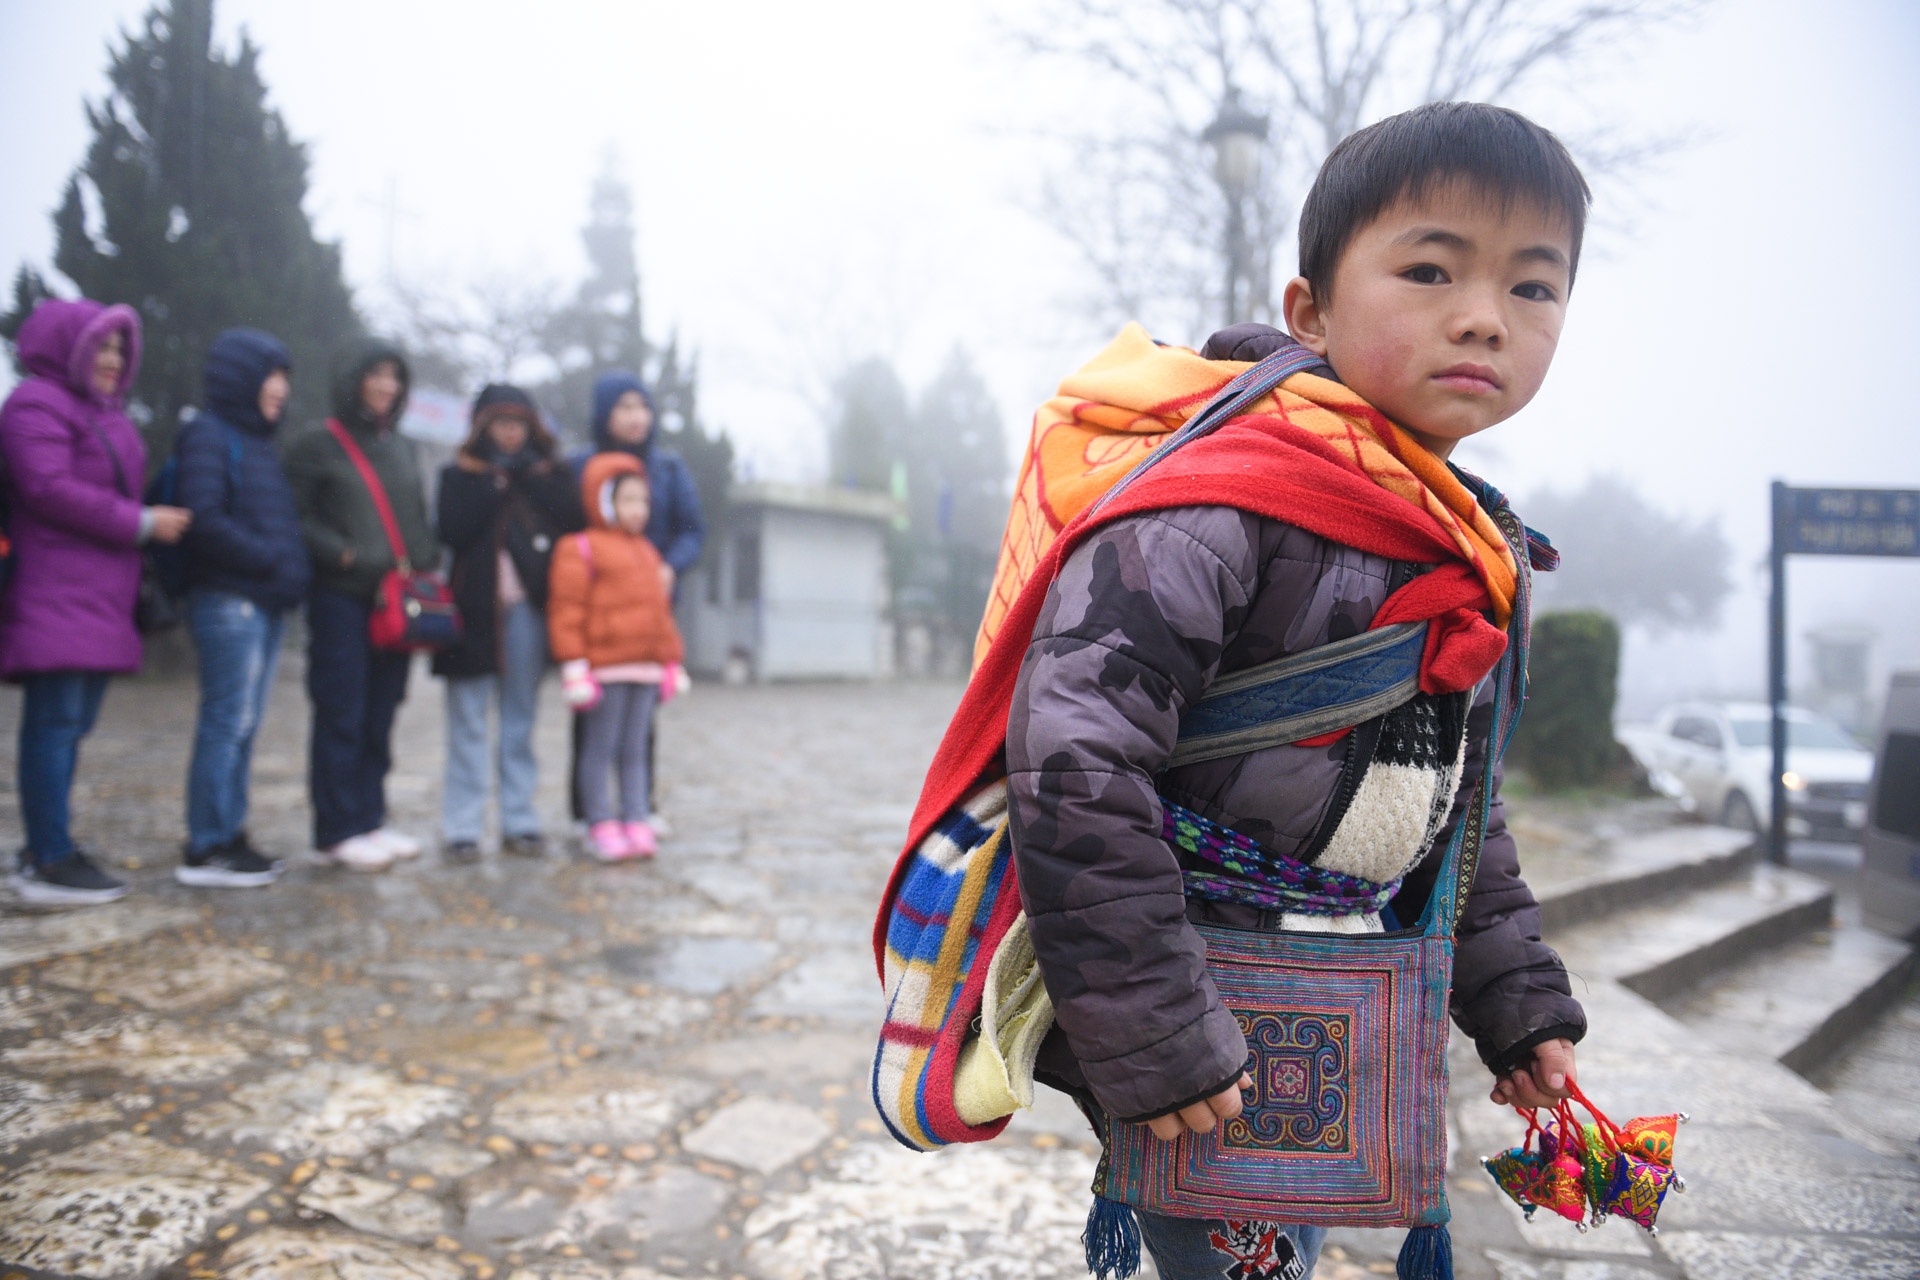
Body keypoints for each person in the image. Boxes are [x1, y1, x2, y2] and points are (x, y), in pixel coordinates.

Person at [992, 104, 1589, 1278]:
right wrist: (1155, 1025)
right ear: (1309, 311)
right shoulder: (1217, 503)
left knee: (1287, 1251)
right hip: (1198, 979)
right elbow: (1076, 752)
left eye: (1534, 287)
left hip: (1339, 986)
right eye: (1429, 269)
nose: (1484, 315)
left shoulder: (1465, 539)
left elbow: (1459, 804)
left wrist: (1517, 1000)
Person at [0, 298, 190, 904]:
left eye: (119, 348)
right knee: (54, 724)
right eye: (101, 345)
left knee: (72, 724)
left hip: (101, 593)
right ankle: (45, 857)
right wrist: (139, 523)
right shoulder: (36, 403)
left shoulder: (106, 414)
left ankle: (48, 842)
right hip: (55, 586)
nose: (112, 359)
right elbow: (47, 487)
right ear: (68, 345)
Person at [284, 340, 437, 872]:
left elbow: (415, 514)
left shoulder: (401, 447)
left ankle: (370, 819)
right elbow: (294, 516)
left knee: (380, 715)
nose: (387, 386)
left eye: (395, 377)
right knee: (341, 713)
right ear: (354, 379)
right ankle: (336, 829)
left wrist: (425, 558)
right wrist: (343, 554)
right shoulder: (316, 443)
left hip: (395, 602)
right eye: (376, 375)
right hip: (341, 599)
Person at [176, 328, 310, 887]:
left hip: (260, 602)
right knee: (226, 720)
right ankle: (206, 844)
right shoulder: (209, 435)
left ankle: (230, 834)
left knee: (244, 724)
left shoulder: (256, 443)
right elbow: (202, 518)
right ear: (242, 379)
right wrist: (270, 560)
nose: (280, 388)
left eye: (284, 377)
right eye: (271, 375)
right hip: (231, 600)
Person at [432, 384, 583, 863]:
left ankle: (520, 819)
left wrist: (525, 481)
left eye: (518, 423)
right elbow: (451, 530)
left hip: (528, 614)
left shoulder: (550, 477)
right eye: (500, 422)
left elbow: (572, 521)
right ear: (482, 426)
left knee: (520, 720)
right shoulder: (459, 476)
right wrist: (494, 485)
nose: (510, 432)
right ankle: (462, 826)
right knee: (468, 722)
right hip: (470, 614)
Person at [570, 374, 704, 835]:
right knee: (592, 718)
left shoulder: (668, 469)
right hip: (599, 614)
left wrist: (668, 567)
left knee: (639, 721)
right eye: (625, 407)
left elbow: (692, 530)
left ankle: (637, 807)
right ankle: (589, 811)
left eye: (642, 406)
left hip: (651, 610)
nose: (636, 417)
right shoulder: (581, 465)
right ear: (605, 414)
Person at [546, 454, 684, 862]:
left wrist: (671, 661)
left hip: (644, 668)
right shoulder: (579, 548)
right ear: (603, 500)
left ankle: (636, 816)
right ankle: (600, 821)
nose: (637, 510)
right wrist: (574, 665)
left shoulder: (648, 553)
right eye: (627, 500)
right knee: (599, 748)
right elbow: (566, 610)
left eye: (643, 501)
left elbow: (661, 614)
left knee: (636, 748)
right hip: (604, 669)